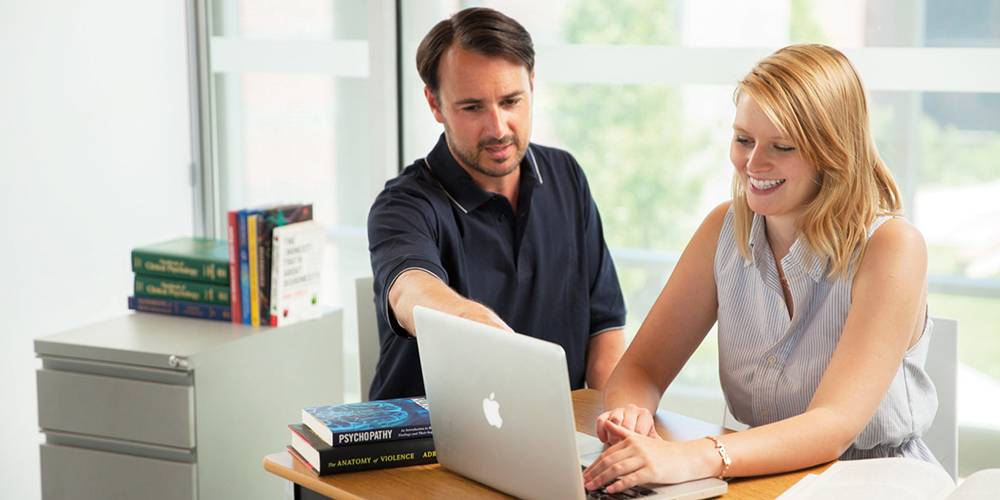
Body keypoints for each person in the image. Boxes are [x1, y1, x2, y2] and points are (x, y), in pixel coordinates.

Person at [583, 43, 938, 494]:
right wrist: (629, 414)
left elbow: (832, 426)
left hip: (878, 484)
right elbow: (642, 370)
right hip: (762, 477)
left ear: (833, 152)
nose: (752, 164)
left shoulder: (891, 247)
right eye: (743, 139)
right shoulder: (723, 228)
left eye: (781, 147)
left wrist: (691, 457)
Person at [366, 7, 626, 401]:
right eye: (472, 108)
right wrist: (476, 322)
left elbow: (604, 327)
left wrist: (615, 424)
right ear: (435, 105)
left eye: (510, 101)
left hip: (552, 437)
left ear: (532, 86)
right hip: (425, 443)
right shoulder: (403, 205)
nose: (498, 128)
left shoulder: (565, 175)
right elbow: (409, 292)